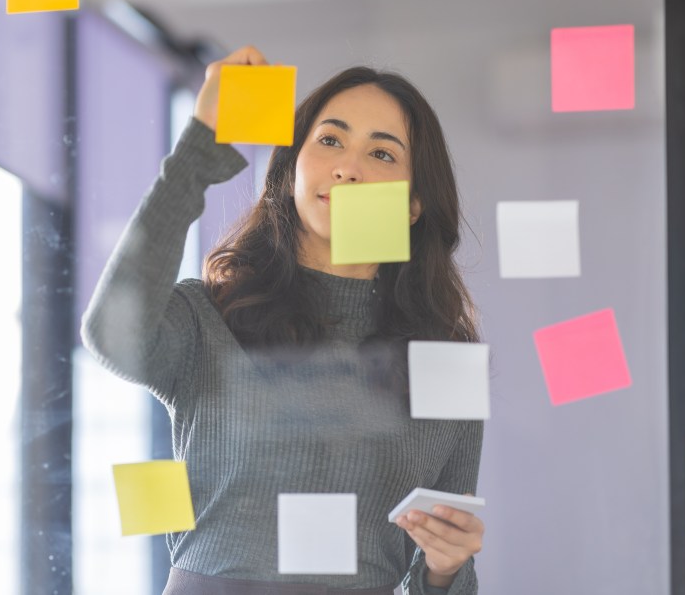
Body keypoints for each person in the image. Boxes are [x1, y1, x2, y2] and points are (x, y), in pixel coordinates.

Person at [81, 45, 485, 595]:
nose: (348, 167)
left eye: (383, 155)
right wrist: (200, 146)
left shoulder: (446, 360)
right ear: (293, 167)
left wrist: (446, 571)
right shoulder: (211, 316)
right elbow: (110, 334)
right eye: (330, 140)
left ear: (414, 205)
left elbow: (444, 562)